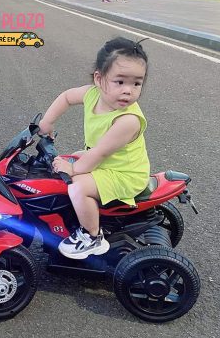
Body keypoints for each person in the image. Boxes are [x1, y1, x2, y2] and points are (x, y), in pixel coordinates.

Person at [38, 37, 150, 259]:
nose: (128, 91)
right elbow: (67, 97)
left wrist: (73, 171)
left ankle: (92, 236)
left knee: (77, 186)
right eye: (120, 82)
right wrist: (47, 122)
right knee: (75, 157)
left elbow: (99, 153)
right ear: (99, 79)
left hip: (125, 174)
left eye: (136, 84)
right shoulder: (92, 94)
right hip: (110, 162)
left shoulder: (128, 120)